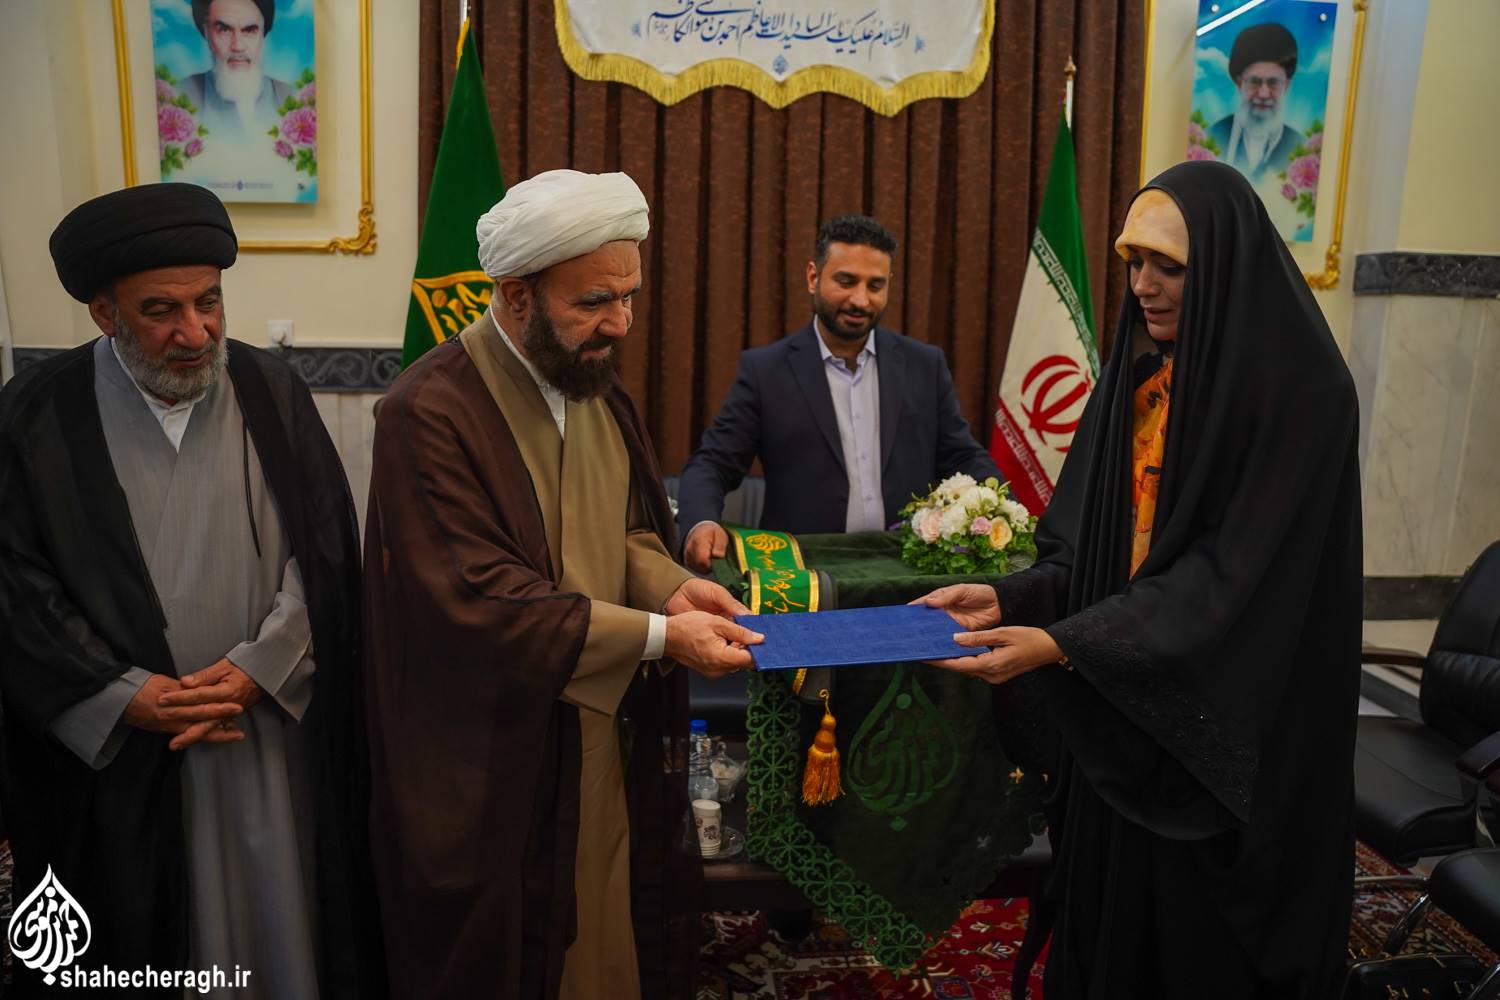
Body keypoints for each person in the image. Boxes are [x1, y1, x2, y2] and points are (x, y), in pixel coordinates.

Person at [917, 161, 1362, 998]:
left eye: (1169, 266)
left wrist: (1062, 643)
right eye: (1132, 261)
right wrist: (1015, 597)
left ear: (1223, 264)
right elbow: (1087, 553)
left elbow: (1230, 585)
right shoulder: (1143, 378)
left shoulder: (1305, 395)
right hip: (1124, 699)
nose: (1143, 286)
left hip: (1233, 737)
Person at [363, 169, 762, 1000]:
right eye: (594, 301)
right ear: (516, 296)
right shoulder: (428, 411)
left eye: (629, 296)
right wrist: (663, 636)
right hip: (492, 757)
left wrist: (671, 589)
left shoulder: (590, 386)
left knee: (608, 922)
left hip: (598, 731)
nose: (620, 323)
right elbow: (481, 596)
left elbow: (625, 533)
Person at [0, 183, 382, 997]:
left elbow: (325, 552)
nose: (196, 331)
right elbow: (14, 584)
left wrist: (260, 668)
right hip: (122, 748)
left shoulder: (272, 392)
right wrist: (122, 695)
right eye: (161, 311)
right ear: (104, 314)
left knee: (288, 923)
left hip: (267, 724)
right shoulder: (36, 412)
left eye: (208, 302)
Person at [676, 214, 1002, 571]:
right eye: (846, 281)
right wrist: (701, 521)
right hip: (802, 575)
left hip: (906, 569)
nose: (860, 300)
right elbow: (713, 463)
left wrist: (1009, 512)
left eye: (875, 285)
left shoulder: (924, 365)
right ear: (813, 277)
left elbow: (963, 457)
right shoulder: (766, 371)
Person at [181, 0, 295, 142]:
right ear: (207, 33)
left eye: (249, 30)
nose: (238, 46)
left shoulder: (292, 98)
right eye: (224, 30)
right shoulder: (181, 95)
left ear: (262, 34)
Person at [1206, 22, 1303, 182]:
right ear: (1239, 83)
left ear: (1286, 85)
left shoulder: (1300, 147)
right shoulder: (1212, 136)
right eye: (1255, 82)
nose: (1264, 94)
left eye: (1273, 83)